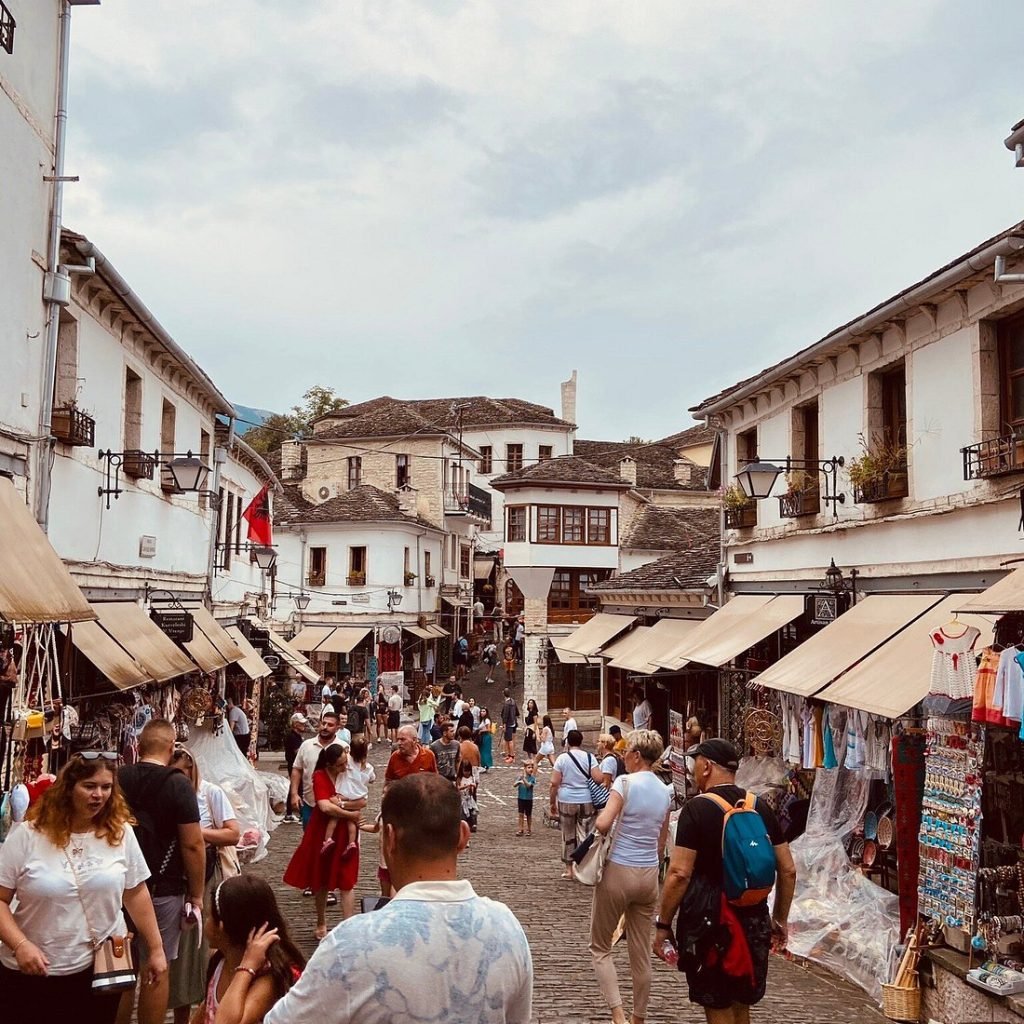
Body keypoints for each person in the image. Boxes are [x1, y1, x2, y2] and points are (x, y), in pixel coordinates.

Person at [263, 774, 533, 1024]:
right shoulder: (507, 929)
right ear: (463, 836)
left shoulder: (351, 943)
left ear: (389, 837)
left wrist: (247, 971)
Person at [0, 752, 166, 1023]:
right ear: (68, 788)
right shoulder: (29, 836)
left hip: (97, 971)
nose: (98, 795)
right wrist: (20, 945)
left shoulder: (120, 833)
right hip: (30, 971)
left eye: (106, 787)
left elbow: (136, 892)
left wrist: (156, 949)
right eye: (89, 786)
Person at [655, 739, 798, 1024]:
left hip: (709, 920)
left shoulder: (696, 810)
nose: (694, 770)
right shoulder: (759, 806)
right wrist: (778, 918)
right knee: (741, 1001)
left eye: (695, 763)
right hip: (755, 918)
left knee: (717, 1002)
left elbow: (679, 873)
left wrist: (663, 924)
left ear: (707, 766)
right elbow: (788, 870)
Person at [118, 720, 206, 1024]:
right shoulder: (178, 784)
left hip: (119, 886)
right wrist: (197, 894)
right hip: (163, 888)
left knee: (122, 966)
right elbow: (193, 845)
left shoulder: (118, 778)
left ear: (139, 747)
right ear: (171, 748)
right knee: (156, 966)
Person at [590, 729, 672, 1024]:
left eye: (626, 752)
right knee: (641, 953)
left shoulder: (624, 783)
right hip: (648, 874)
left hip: (619, 868)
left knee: (600, 947)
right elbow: (662, 842)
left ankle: (618, 1014)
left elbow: (603, 823)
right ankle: (639, 1017)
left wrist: (600, 822)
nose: (623, 757)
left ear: (637, 756)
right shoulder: (666, 792)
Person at [166, 746, 241, 1024]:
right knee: (182, 955)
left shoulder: (210, 793)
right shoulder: (165, 797)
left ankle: (211, 1008)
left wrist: (196, 834)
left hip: (207, 878)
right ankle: (183, 1016)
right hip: (174, 880)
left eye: (183, 775)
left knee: (209, 945)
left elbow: (233, 833)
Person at [283, 744, 366, 939]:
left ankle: (348, 926)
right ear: (329, 764)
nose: (344, 768)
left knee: (347, 880)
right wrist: (350, 813)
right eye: (340, 765)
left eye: (345, 763)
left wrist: (344, 805)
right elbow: (324, 807)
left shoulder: (349, 772)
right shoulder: (319, 775)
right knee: (320, 880)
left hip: (346, 834)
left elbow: (363, 801)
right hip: (323, 833)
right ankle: (321, 921)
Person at [202, 874, 305, 1024]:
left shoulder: (268, 978)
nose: (206, 922)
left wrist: (247, 967)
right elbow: (207, 1007)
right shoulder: (220, 961)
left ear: (222, 927)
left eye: (208, 917)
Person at [550, 728, 599, 879]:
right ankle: (584, 868)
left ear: (568, 742)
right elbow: (598, 778)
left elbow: (554, 782)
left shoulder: (562, 759)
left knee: (568, 834)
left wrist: (552, 802)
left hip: (567, 800)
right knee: (586, 833)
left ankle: (569, 869)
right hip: (586, 800)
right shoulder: (590, 757)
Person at [321, 736, 374, 856]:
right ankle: (351, 843)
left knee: (334, 818)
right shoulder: (369, 768)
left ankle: (327, 839)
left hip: (343, 794)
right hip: (358, 797)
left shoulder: (348, 761)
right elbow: (372, 779)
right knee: (352, 821)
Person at [289, 710, 342, 829]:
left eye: (330, 725)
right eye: (323, 723)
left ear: (337, 728)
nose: (325, 727)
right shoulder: (306, 745)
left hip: (333, 804)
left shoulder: (343, 747)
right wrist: (294, 794)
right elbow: (297, 769)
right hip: (309, 803)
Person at [514, 760, 536, 837]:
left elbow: (528, 785)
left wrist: (523, 779)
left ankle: (529, 829)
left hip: (529, 799)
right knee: (521, 814)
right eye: (529, 767)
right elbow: (514, 784)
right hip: (521, 798)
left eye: (532, 767)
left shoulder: (532, 778)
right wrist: (519, 781)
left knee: (528, 815)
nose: (531, 769)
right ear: (525, 768)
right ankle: (521, 829)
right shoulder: (520, 777)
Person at [457, 760, 478, 833]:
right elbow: (458, 788)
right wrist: (467, 786)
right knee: (463, 814)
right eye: (465, 771)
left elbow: (472, 792)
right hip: (462, 799)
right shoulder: (459, 779)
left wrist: (472, 789)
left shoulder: (472, 778)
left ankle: (473, 824)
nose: (467, 773)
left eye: (468, 771)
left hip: (469, 799)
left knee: (473, 812)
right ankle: (464, 826)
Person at [500, 687, 520, 763]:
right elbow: (517, 711)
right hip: (514, 722)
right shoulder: (513, 701)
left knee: (509, 740)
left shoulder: (506, 704)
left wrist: (504, 725)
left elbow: (505, 715)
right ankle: (509, 754)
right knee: (510, 740)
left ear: (503, 694)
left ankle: (511, 756)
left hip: (509, 724)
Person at [478, 706, 494, 772]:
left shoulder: (487, 720)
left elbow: (488, 729)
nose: (482, 712)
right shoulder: (482, 720)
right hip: (483, 736)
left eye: (484, 711)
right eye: (481, 711)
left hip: (486, 737)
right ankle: (483, 765)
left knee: (485, 751)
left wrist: (481, 731)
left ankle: (486, 765)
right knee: (482, 751)